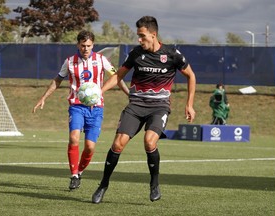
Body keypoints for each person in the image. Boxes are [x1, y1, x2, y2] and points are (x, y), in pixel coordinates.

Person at [91, 16, 196, 204]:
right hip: (136, 106)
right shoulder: (136, 53)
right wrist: (99, 92)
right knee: (117, 145)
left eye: (142, 36)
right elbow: (118, 76)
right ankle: (103, 185)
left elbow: (191, 75)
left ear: (153, 35)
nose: (139, 40)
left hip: (159, 107)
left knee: (149, 142)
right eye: (138, 36)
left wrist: (189, 104)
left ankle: (154, 184)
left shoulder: (172, 54)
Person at [32, 30, 129, 190]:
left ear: (93, 45)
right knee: (74, 138)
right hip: (76, 106)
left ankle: (80, 171)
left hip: (96, 108)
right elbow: (57, 80)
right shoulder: (69, 62)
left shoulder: (101, 60)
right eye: (83, 45)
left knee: (90, 147)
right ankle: (74, 175)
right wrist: (44, 97)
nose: (85, 48)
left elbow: (116, 77)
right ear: (78, 45)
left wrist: (129, 94)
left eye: (89, 46)